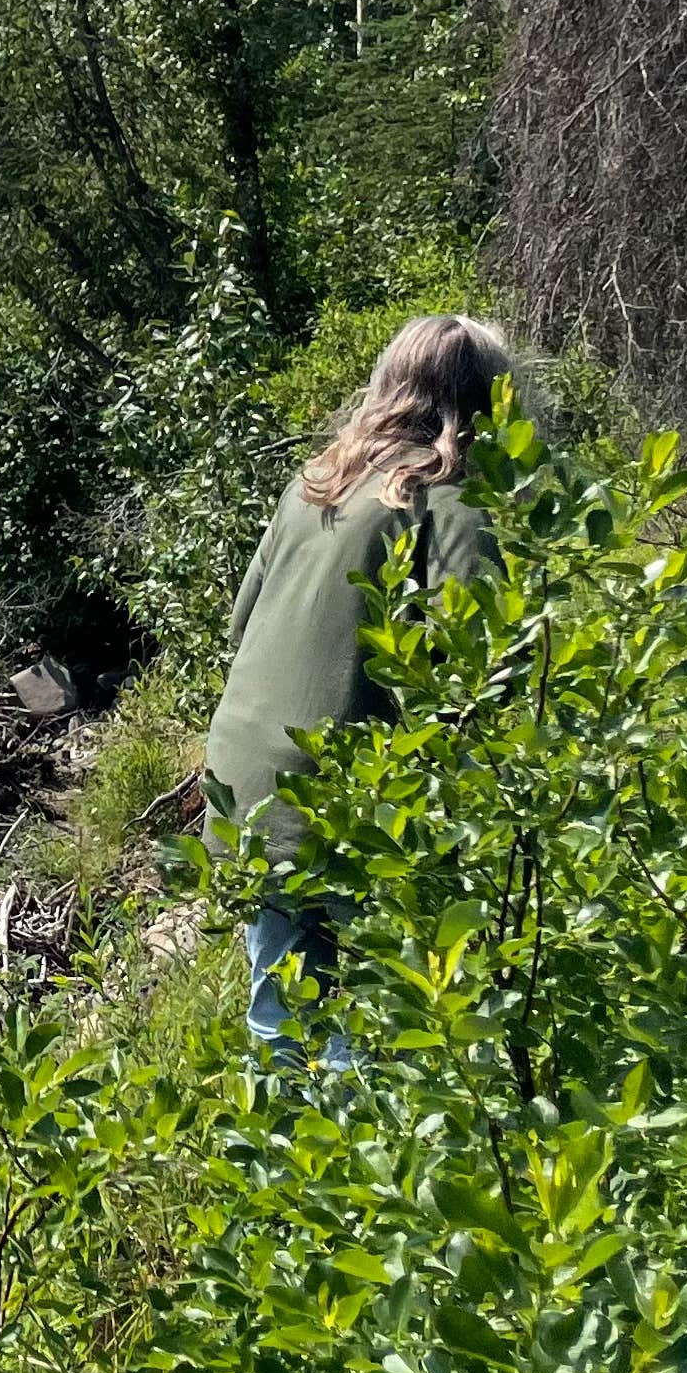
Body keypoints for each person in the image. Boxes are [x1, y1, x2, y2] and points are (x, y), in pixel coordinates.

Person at [204, 312, 511, 1053]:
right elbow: (485, 673)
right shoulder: (455, 505)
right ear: (486, 401)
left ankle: (274, 1157)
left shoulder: (316, 482)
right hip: (341, 804)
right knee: (372, 1032)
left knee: (280, 1012)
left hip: (242, 786)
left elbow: (240, 628)